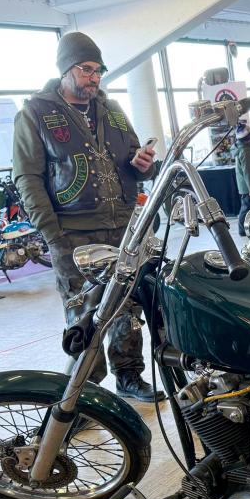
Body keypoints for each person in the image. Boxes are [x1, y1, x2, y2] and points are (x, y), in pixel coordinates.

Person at [12, 32, 161, 402]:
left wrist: (143, 164)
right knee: (83, 311)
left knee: (127, 306)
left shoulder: (112, 110)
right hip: (73, 233)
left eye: (98, 71)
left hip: (124, 228)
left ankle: (129, 376)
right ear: (66, 70)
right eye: (86, 70)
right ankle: (85, 394)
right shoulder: (35, 113)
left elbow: (134, 161)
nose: (94, 78)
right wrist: (53, 234)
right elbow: (27, 178)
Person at [233, 121, 250, 235]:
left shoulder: (242, 148)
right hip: (247, 186)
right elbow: (247, 171)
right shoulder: (245, 151)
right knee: (246, 207)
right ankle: (241, 230)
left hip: (246, 185)